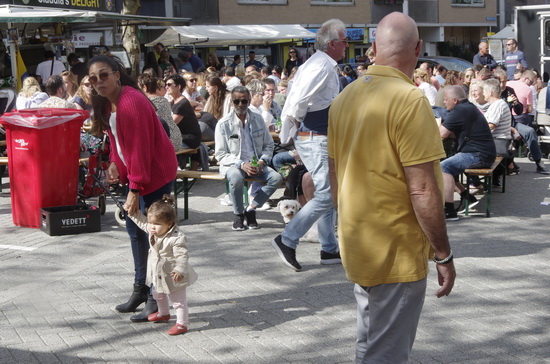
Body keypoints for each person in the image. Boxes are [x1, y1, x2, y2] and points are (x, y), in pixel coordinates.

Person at [328, 12, 455, 363]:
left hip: (359, 241)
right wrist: (443, 253)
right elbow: (423, 190)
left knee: (369, 343)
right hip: (394, 247)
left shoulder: (344, 98)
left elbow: (334, 175)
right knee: (387, 353)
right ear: (418, 48)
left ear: (372, 48)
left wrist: (347, 225)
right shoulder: (410, 99)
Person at [88, 54, 177, 322]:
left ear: (117, 74)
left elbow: (140, 148)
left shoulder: (131, 101)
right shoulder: (108, 104)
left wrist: (134, 189)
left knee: (156, 240)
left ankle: (156, 298)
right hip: (138, 176)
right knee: (135, 234)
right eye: (93, 78)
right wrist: (115, 164)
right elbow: (117, 141)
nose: (99, 82)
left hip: (155, 175)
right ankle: (141, 289)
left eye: (104, 75)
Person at [272, 19, 348, 271]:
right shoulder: (322, 66)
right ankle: (287, 239)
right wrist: (295, 127)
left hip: (314, 135)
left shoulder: (319, 63)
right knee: (326, 194)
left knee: (326, 192)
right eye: (345, 41)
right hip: (315, 135)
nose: (348, 45)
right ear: (333, 43)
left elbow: (298, 96)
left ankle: (329, 249)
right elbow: (298, 99)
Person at [125, 194, 197, 336]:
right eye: (151, 223)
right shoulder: (153, 230)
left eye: (157, 224)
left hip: (174, 274)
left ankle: (182, 324)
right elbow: (142, 222)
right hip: (157, 273)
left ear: (169, 224)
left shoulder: (176, 238)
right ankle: (163, 313)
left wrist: (179, 270)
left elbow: (182, 255)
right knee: (157, 294)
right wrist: (132, 214)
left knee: (178, 301)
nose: (152, 227)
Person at [214, 86, 282, 230]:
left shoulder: (258, 119)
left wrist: (263, 160)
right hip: (234, 165)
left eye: (244, 101)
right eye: (237, 101)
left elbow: (269, 145)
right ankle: (238, 214)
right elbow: (220, 154)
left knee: (276, 178)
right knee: (236, 177)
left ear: (249, 100)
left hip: (256, 162)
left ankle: (251, 209)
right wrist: (241, 163)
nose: (240, 105)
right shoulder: (223, 123)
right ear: (232, 102)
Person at [440, 86, 496, 221]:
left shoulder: (459, 110)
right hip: (483, 152)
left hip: (478, 154)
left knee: (443, 167)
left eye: (445, 99)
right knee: (449, 164)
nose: (443, 102)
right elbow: (453, 134)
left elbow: (440, 135)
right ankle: (466, 196)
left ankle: (449, 211)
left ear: (454, 100)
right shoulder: (467, 107)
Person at [137, 73, 183, 151]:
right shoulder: (164, 100)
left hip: (166, 142)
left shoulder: (146, 104)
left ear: (144, 88)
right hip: (177, 139)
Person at [165, 75, 202, 150]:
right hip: (180, 137)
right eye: (166, 85)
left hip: (189, 139)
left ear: (178, 87)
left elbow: (171, 124)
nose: (166, 87)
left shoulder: (183, 103)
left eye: (169, 85)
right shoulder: (173, 102)